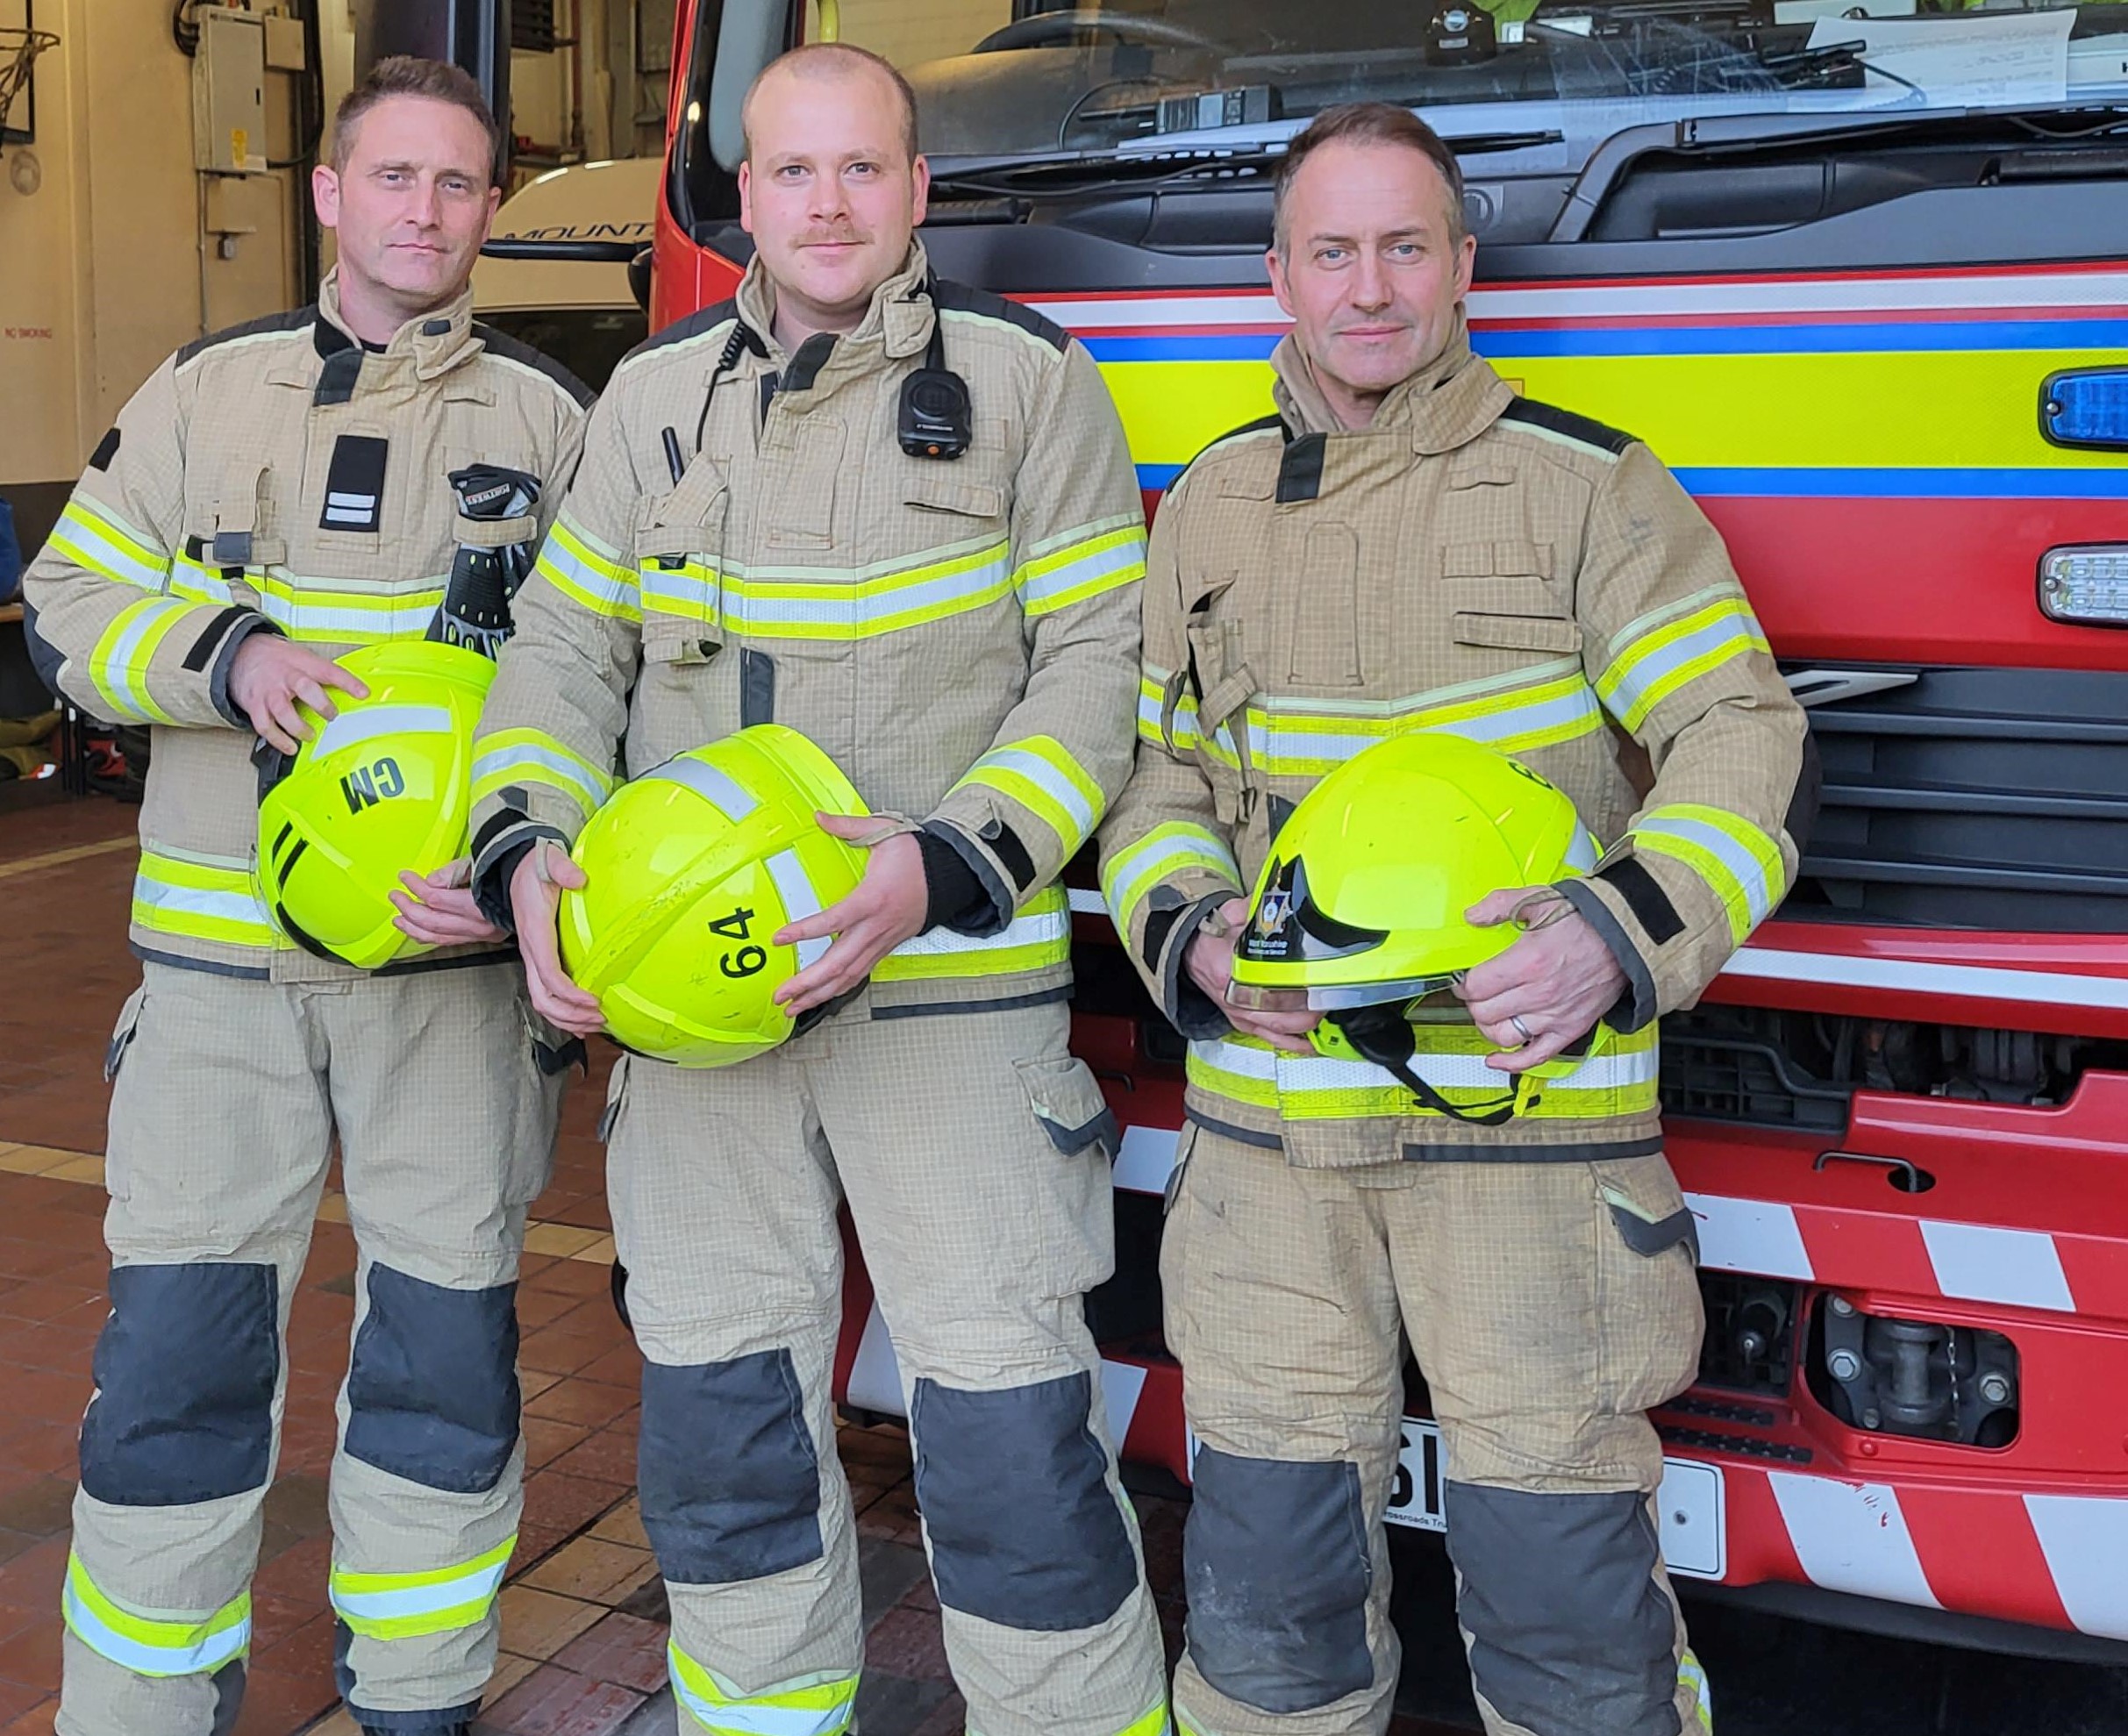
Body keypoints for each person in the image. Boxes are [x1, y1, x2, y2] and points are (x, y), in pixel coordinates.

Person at [468, 41, 1171, 1736]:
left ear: (919, 192)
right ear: (746, 197)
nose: (830, 204)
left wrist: (947, 864)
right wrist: (529, 847)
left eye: (865, 170)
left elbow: (1100, 669)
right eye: (794, 172)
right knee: (721, 1438)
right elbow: (564, 651)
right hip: (692, 1024)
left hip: (948, 1009)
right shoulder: (650, 403)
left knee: (1008, 1441)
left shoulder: (1029, 388)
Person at [1096, 103, 1813, 1736]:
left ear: (1460, 265)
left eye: (1402, 248)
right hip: (1270, 1153)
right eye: (1331, 252)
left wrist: (1612, 933)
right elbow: (1155, 789)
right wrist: (1195, 940)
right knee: (1265, 1613)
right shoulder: (1205, 504)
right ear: (1274, 277)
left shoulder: (1587, 490)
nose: (1368, 289)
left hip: (1532, 1157)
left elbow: (1741, 735)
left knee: (1566, 1612)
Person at [21, 57, 592, 1736]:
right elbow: (66, 603)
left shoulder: (553, 427)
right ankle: (135, 1715)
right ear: (330, 196)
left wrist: (517, 886)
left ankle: (417, 1702)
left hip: (451, 992)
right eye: (393, 179)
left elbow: (610, 688)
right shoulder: (206, 395)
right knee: (178, 1377)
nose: (426, 212)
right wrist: (227, 652)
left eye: (460, 185)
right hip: (218, 996)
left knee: (442, 1365)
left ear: (492, 209)